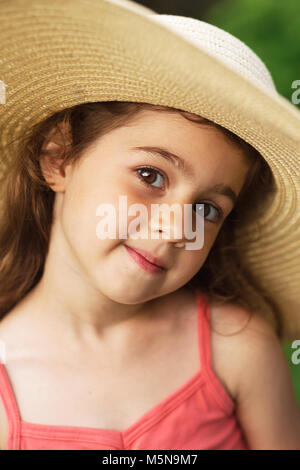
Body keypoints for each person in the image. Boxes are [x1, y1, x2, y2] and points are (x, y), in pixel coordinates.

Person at [0, 0, 299, 451]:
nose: (178, 227)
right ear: (58, 156)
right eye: (150, 176)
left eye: (207, 209)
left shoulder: (238, 349)